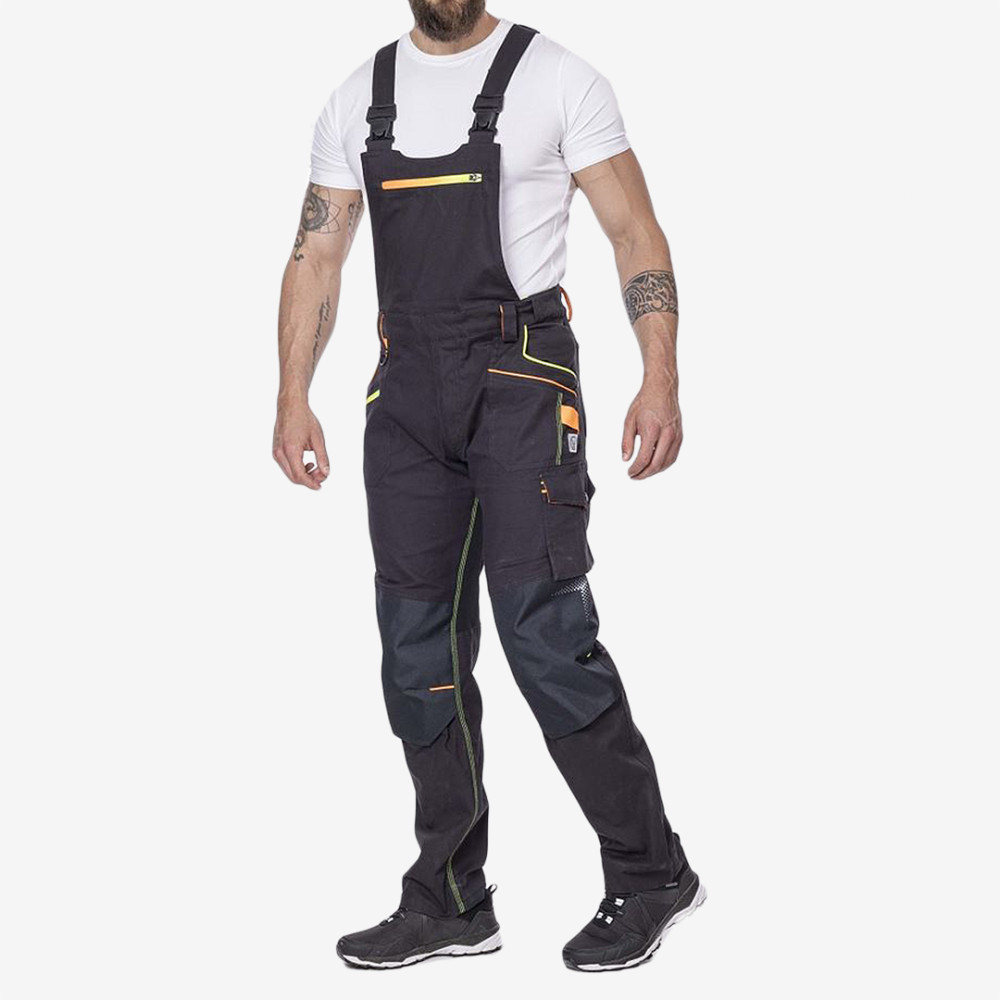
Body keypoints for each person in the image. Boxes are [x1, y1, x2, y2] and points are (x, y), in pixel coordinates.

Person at [272, 1, 705, 973]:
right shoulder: (360, 97)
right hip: (406, 393)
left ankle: (651, 872)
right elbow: (317, 254)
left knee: (544, 636)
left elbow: (634, 232)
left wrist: (660, 375)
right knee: (415, 648)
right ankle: (449, 898)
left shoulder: (559, 77)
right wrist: (293, 394)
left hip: (522, 379)